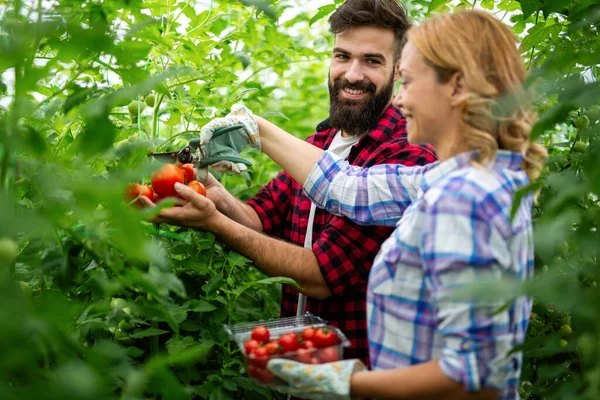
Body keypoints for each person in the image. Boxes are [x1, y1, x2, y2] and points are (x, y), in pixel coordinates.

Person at [169, 9, 547, 400]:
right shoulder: (456, 179)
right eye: (342, 56)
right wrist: (251, 134)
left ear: (456, 87)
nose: (399, 98)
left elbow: (475, 374)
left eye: (409, 81)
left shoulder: (463, 199)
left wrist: (345, 382)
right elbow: (348, 187)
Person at [141, 0, 437, 365]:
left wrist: (214, 221)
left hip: (364, 375)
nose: (352, 74)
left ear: (398, 71)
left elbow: (319, 276)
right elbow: (258, 218)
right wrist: (213, 194)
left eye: (372, 61)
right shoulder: (320, 144)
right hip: (302, 367)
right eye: (342, 56)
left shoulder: (406, 157)